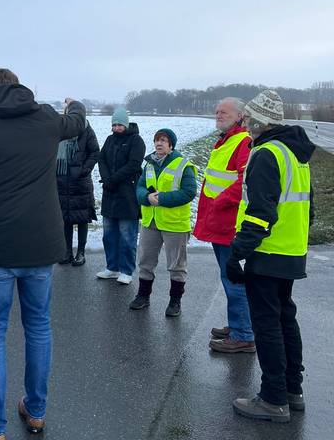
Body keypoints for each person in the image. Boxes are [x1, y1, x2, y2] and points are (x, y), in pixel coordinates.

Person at [0, 67, 86, 440]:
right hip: (41, 245)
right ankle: (36, 411)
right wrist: (76, 105)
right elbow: (76, 122)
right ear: (18, 85)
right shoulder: (46, 119)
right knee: (38, 327)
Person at [229, 90, 314, 423]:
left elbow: (260, 213)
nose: (246, 124)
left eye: (249, 118)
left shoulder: (266, 153)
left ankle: (273, 398)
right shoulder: (295, 153)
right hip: (291, 251)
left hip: (267, 252)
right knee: (284, 320)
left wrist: (238, 253)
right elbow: (309, 210)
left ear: (260, 121)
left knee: (267, 326)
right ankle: (293, 390)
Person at [194, 98, 255, 353]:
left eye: (224, 112)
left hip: (230, 223)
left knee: (233, 279)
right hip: (219, 221)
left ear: (240, 116)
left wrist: (219, 202)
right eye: (217, 111)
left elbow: (244, 181)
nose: (218, 115)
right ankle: (239, 325)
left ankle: (243, 334)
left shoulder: (242, 142)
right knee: (229, 276)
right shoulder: (226, 140)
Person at [131, 129, 197, 317]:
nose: (159, 144)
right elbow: (140, 187)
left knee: (177, 265)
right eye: (156, 140)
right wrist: (146, 197)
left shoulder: (183, 165)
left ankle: (175, 301)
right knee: (145, 261)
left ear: (171, 145)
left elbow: (189, 192)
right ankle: (143, 296)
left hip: (174, 223)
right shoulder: (149, 164)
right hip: (151, 221)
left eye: (163, 140)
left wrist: (161, 199)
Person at [96, 108, 146, 283]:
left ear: (126, 124)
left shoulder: (136, 140)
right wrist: (106, 178)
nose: (116, 128)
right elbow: (101, 159)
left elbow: (134, 165)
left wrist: (113, 179)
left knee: (127, 236)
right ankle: (112, 267)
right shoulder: (110, 140)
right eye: (114, 125)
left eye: (119, 125)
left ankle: (126, 270)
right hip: (110, 194)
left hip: (128, 194)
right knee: (109, 235)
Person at [56, 111, 99, 266]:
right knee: (65, 218)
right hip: (61, 181)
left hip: (81, 181)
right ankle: (67, 252)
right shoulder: (60, 129)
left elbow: (95, 152)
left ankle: (81, 252)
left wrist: (83, 170)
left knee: (82, 218)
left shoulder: (86, 129)